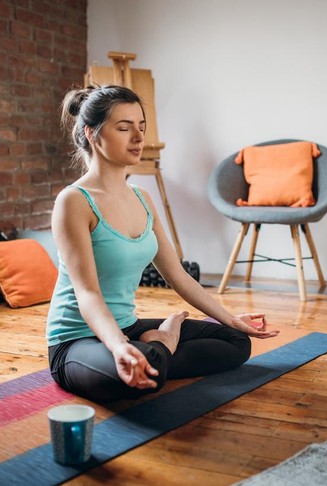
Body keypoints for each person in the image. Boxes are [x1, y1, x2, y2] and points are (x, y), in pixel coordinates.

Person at [46, 85, 279, 402]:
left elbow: (177, 275)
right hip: (77, 341)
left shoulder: (142, 199)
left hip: (128, 327)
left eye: (141, 127)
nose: (139, 138)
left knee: (236, 342)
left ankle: (151, 352)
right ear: (92, 134)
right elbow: (87, 294)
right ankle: (161, 344)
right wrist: (119, 347)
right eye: (124, 128)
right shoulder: (73, 202)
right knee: (138, 374)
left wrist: (231, 318)